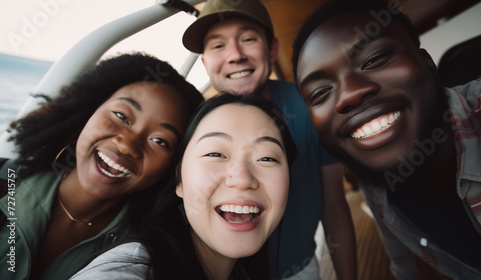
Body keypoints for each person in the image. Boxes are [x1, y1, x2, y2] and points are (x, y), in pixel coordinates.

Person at [292, 0, 481, 279]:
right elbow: (399, 260)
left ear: (427, 64)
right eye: (319, 93)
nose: (349, 94)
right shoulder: (376, 186)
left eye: (375, 59)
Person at [181, 0, 357, 278]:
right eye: (217, 45)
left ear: (272, 49)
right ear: (204, 63)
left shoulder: (310, 105)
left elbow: (334, 207)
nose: (235, 55)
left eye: (248, 39)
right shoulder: (193, 124)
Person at [0, 52, 204, 280]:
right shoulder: (5, 181)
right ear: (89, 111)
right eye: (121, 116)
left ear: (174, 167)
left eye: (160, 141)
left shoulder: (147, 255)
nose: (127, 146)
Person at [69, 93, 298, 279]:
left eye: (267, 158)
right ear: (179, 180)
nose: (242, 178)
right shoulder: (130, 268)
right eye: (216, 153)